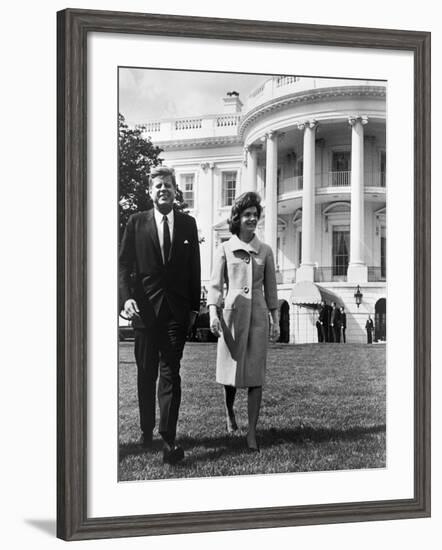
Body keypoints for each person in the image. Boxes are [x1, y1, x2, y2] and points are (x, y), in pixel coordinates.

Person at [119, 165, 201, 465]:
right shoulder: (135, 223)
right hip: (143, 313)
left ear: (174, 190)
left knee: (170, 374)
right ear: (149, 191)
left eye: (168, 185)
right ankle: (146, 430)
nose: (163, 189)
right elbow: (123, 265)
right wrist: (125, 299)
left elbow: (194, 269)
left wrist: (194, 307)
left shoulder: (188, 224)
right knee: (146, 373)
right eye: (158, 186)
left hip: (175, 313)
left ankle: (168, 439)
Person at [208, 192, 279, 452]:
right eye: (246, 214)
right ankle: (229, 413)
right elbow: (215, 285)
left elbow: (272, 289)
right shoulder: (224, 248)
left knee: (255, 376)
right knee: (230, 375)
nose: (251, 219)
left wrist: (276, 318)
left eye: (255, 215)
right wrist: (213, 314)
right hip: (232, 318)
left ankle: (251, 432)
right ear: (237, 218)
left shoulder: (266, 251)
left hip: (258, 317)